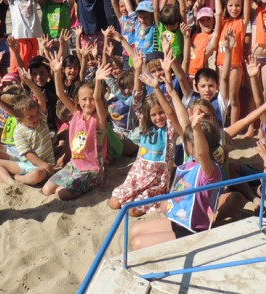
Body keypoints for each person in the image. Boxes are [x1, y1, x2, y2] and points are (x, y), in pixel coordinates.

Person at [129, 109, 222, 249]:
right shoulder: (191, 161)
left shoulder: (209, 170)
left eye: (191, 142)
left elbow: (202, 154)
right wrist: (192, 123)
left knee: (138, 244)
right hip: (178, 219)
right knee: (135, 230)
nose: (186, 144)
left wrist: (196, 128)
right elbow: (181, 124)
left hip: (192, 229)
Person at [108, 71, 181, 216]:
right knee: (114, 203)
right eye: (154, 115)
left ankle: (155, 202)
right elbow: (137, 100)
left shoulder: (170, 129)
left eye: (161, 113)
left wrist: (156, 88)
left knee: (132, 211)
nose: (158, 117)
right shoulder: (145, 126)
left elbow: (170, 111)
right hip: (138, 175)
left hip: (156, 181)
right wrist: (137, 69)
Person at [43, 53, 109, 200]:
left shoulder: (98, 118)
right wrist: (56, 72)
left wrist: (98, 81)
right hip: (74, 165)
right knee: (47, 190)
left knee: (61, 193)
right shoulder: (76, 114)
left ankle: (93, 184)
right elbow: (60, 94)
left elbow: (98, 98)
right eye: (84, 99)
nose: (88, 103)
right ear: (78, 101)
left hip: (91, 170)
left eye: (90, 99)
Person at [0, 94, 55, 186]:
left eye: (37, 113)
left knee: (39, 174)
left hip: (44, 167)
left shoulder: (42, 121)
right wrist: (43, 165)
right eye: (31, 117)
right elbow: (27, 154)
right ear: (19, 119)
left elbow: (41, 98)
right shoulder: (19, 132)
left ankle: (20, 177)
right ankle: (15, 180)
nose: (36, 118)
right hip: (31, 165)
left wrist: (45, 165)